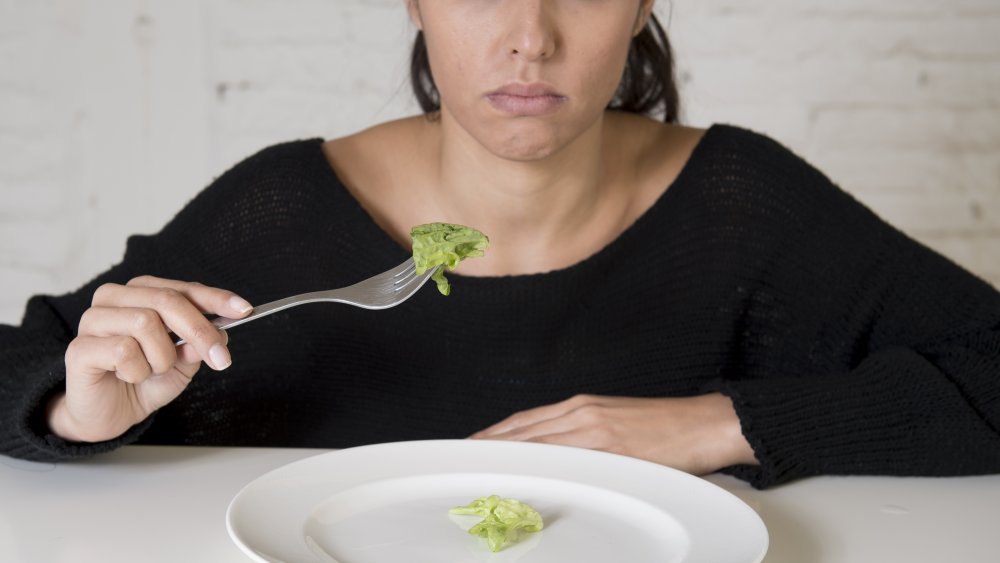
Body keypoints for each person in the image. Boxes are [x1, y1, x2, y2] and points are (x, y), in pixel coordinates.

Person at [1, 0, 998, 489]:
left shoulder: (746, 207)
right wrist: (75, 407)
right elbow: (22, 362)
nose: (531, 36)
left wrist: (720, 422)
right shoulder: (282, 208)